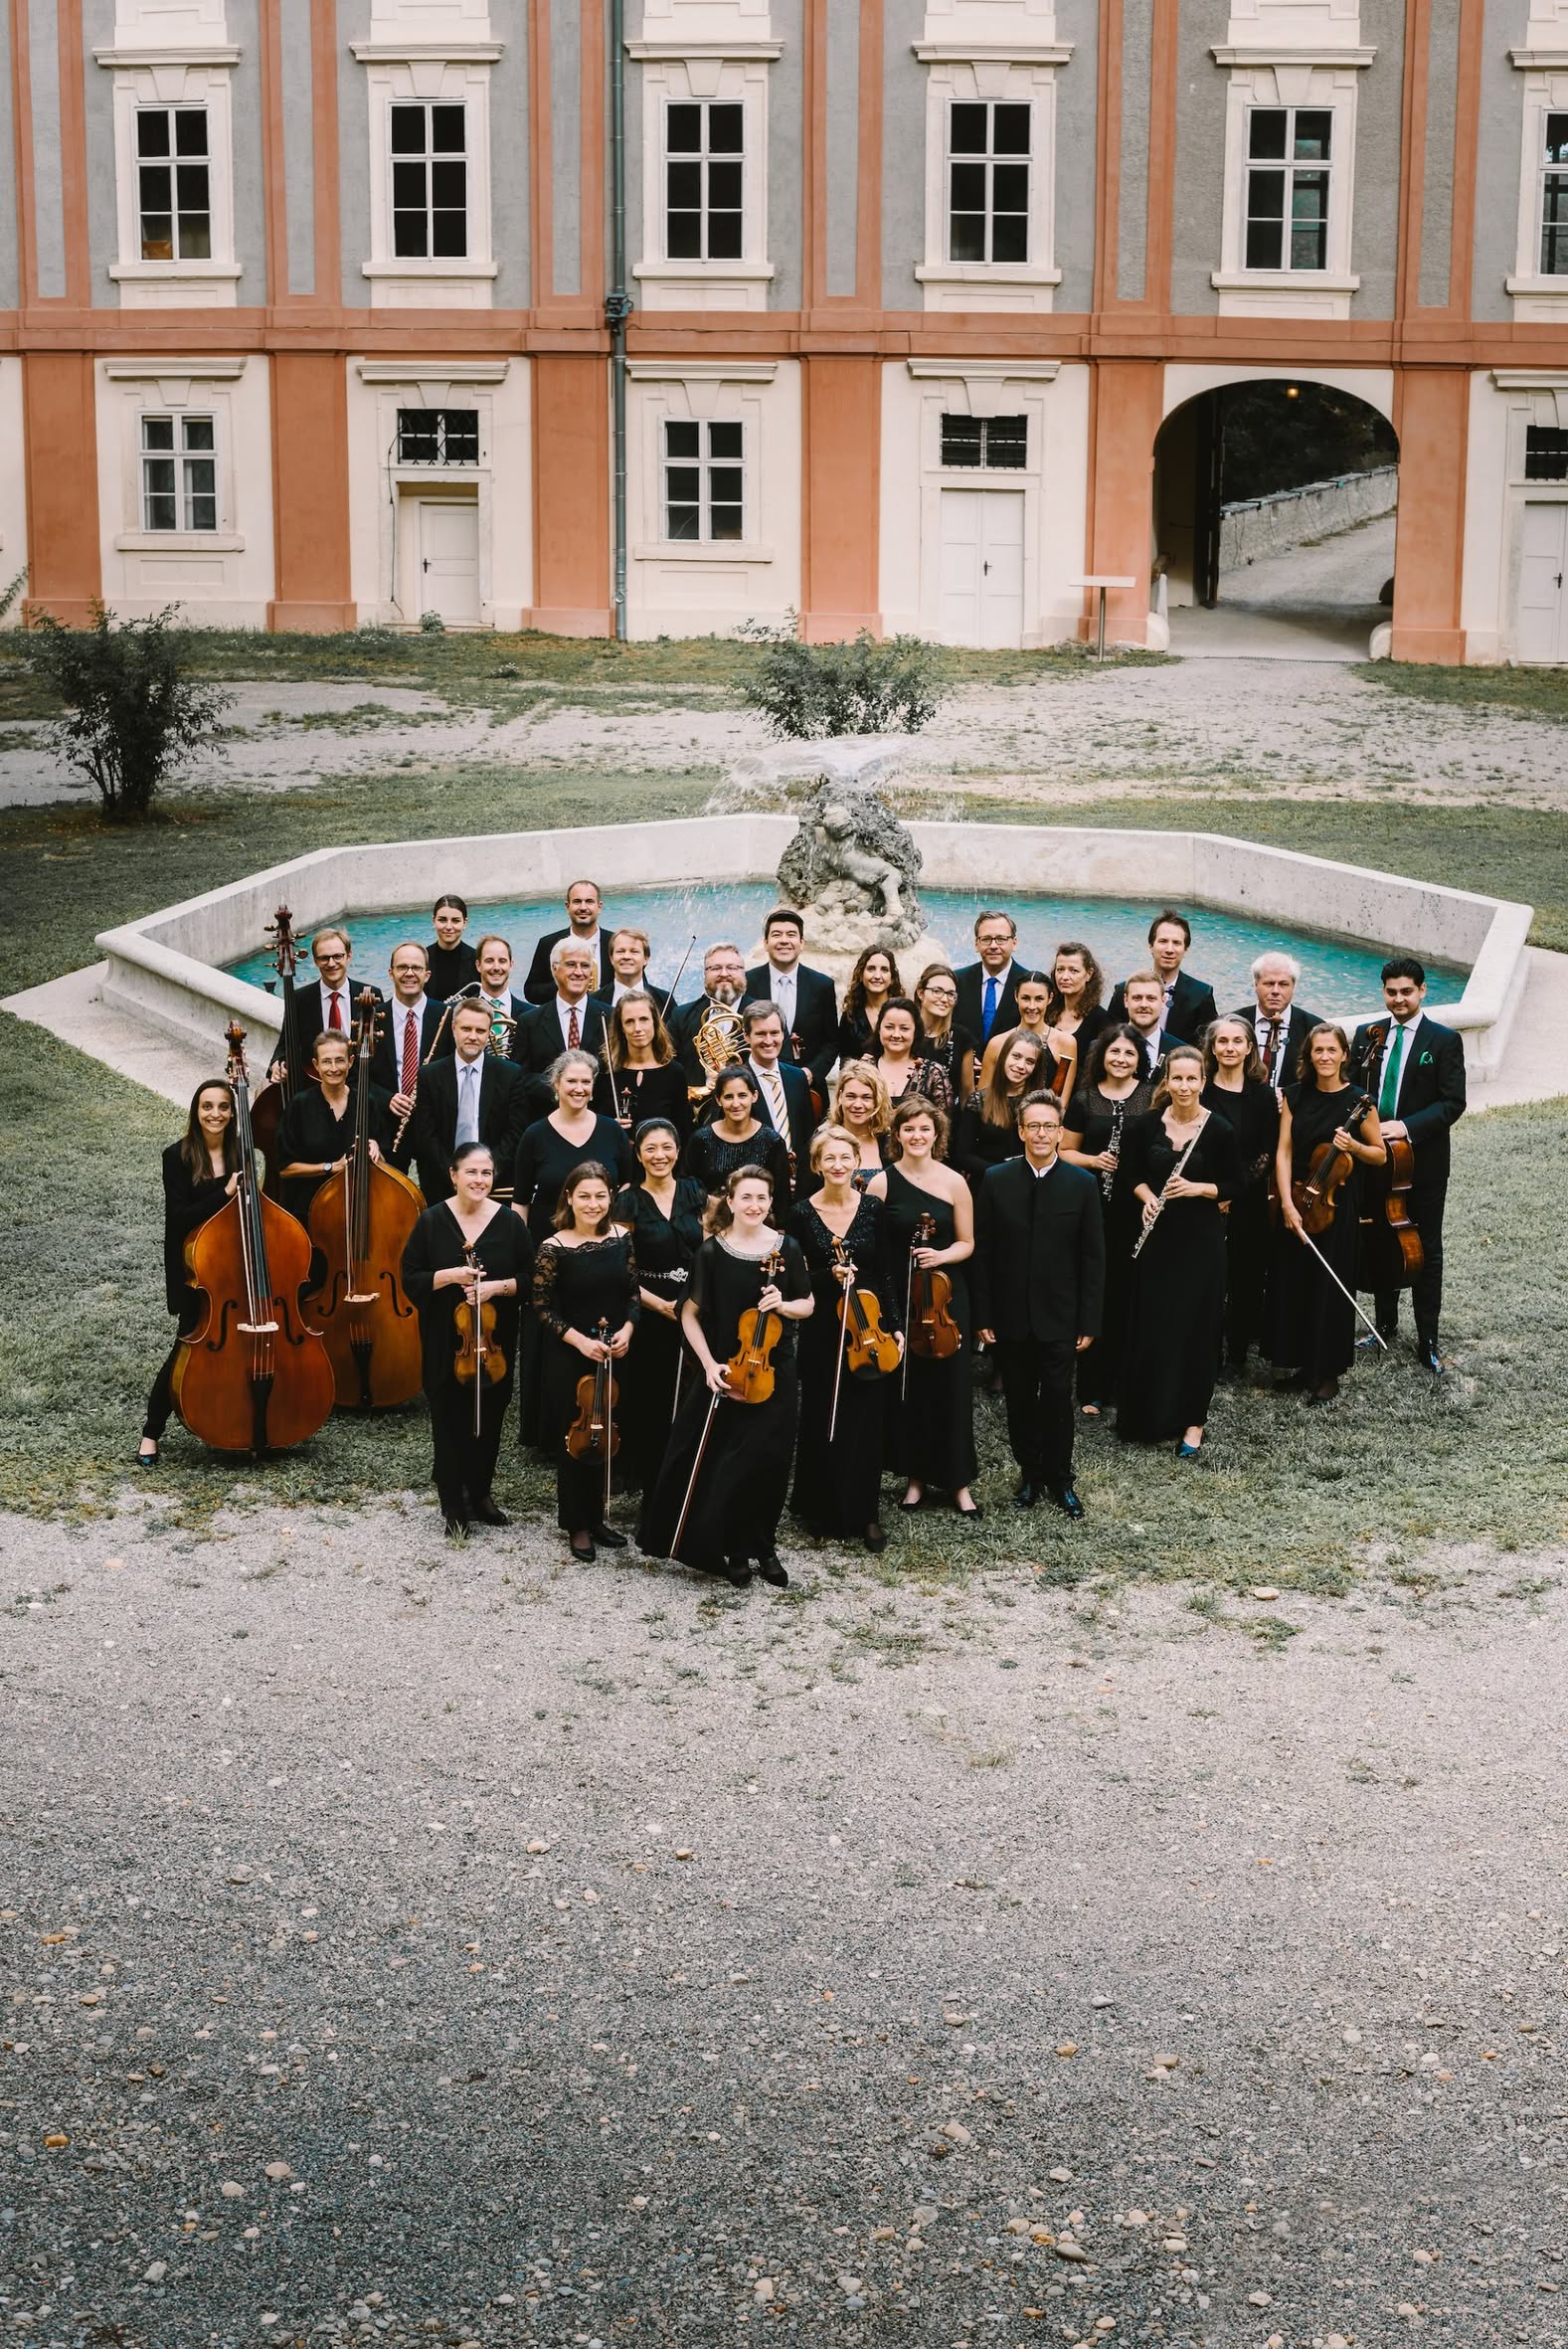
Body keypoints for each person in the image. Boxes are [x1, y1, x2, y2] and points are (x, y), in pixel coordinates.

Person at [638, 1167, 813, 1588]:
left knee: (770, 1461)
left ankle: (764, 1545)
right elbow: (690, 1314)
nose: (755, 1206)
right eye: (746, 1198)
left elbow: (808, 1303)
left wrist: (783, 1305)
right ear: (731, 1202)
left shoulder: (786, 1247)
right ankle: (733, 1546)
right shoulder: (712, 1253)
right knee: (730, 1462)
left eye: (763, 1198)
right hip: (728, 1371)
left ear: (771, 1203)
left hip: (775, 1371)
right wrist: (708, 1364)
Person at [973, 1092, 1105, 1519]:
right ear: (1021, 1130)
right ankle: (1030, 1474)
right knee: (1019, 1401)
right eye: (1034, 1126)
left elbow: (1092, 1258)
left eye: (1050, 1126)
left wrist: (1088, 1318)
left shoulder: (1082, 1184)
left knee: (1055, 1398)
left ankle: (1061, 1479)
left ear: (1059, 1132)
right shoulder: (995, 1180)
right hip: (1010, 1316)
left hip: (1060, 1315)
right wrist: (984, 1314)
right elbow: (985, 1254)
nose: (1042, 1133)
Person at [400, 1140, 531, 1535]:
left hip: (495, 1340)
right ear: (453, 1175)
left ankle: (481, 1492)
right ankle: (453, 1503)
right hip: (446, 1340)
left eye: (486, 1172)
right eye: (471, 1171)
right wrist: (450, 1277)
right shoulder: (431, 1221)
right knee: (449, 1417)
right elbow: (410, 1278)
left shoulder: (510, 1223)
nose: (479, 1179)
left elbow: (529, 1281)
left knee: (490, 1416)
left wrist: (497, 1288)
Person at [1118, 1046, 1240, 1457]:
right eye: (1177, 1078)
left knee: (1195, 1330)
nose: (1184, 1086)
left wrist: (1197, 1189)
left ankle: (1193, 1422)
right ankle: (1146, 1415)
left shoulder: (1220, 1129)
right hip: (1157, 1240)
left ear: (1203, 1083)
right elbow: (1130, 1174)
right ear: (1166, 1081)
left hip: (1200, 1243)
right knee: (1152, 1323)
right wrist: (1147, 1197)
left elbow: (1235, 1184)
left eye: (1192, 1079)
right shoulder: (1145, 1125)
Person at [1347, 956, 1467, 1372]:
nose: (1398, 999)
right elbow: (1353, 1091)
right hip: (1376, 1160)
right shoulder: (1367, 1035)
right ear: (1384, 992)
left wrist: (1405, 1126)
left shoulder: (1444, 1040)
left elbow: (1453, 1103)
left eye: (1406, 991)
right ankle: (1384, 1325)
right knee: (1381, 1238)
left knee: (1426, 1247)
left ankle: (1428, 1339)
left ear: (1422, 991)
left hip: (1423, 1162)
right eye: (1391, 992)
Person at [788, 1125, 901, 1551]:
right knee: (822, 1413)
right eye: (828, 1159)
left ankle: (865, 1513)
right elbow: (793, 1278)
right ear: (817, 1165)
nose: (837, 1165)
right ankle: (823, 1507)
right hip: (823, 1325)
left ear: (857, 1162)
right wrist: (826, 1275)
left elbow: (886, 1272)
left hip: (868, 1325)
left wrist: (895, 1326)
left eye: (845, 1158)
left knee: (867, 1417)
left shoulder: (872, 1207)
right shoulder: (800, 1212)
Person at [870, 1097, 980, 1519]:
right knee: (910, 1392)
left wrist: (940, 1256)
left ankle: (958, 1483)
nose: (917, 1136)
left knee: (951, 1391)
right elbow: (878, 1250)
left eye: (925, 1129)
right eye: (909, 1129)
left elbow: (967, 1243)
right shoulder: (882, 1183)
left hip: (946, 1298)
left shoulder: (955, 1182)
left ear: (937, 1134)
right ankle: (915, 1479)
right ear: (897, 1135)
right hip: (901, 1297)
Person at [1270, 1024, 1385, 1404]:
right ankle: (1302, 1364)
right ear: (1309, 1055)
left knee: (1329, 1287)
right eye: (1317, 1050)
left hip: (1336, 1202)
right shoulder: (1294, 1095)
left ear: (1343, 1055)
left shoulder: (1360, 1101)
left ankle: (1328, 1372)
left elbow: (1380, 1154)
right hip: (1300, 1197)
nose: (1324, 1057)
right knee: (1296, 1282)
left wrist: (1352, 1144)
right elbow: (1283, 1151)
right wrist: (1286, 1201)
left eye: (1331, 1050)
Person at [533, 1163, 639, 1560]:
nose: (593, 1204)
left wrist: (628, 1331)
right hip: (571, 1355)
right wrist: (580, 1342)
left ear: (610, 1198)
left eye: (600, 1195)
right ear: (569, 1199)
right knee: (575, 1438)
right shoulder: (553, 1247)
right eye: (584, 1196)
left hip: (614, 1351)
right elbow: (541, 1308)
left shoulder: (621, 1238)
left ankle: (596, 1518)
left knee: (606, 1435)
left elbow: (633, 1293)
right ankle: (576, 1524)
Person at [138, 1080, 241, 1466]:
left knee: (235, 1351)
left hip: (232, 1269)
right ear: (195, 1112)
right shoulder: (176, 1156)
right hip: (193, 1271)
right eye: (207, 1106)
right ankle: (151, 1432)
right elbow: (179, 1218)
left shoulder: (239, 1154)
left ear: (233, 1114)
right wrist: (225, 1194)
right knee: (186, 1347)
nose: (215, 1113)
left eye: (224, 1107)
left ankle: (233, 1423)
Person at [1060, 1022, 1154, 1417]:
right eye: (1114, 1052)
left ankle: (1124, 1381)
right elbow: (1064, 1151)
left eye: (1129, 1053)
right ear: (1102, 1056)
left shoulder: (1152, 1098)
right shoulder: (1084, 1099)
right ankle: (1092, 1387)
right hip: (1092, 1207)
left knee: (1128, 1295)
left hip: (1133, 1210)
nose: (1121, 1059)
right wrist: (1094, 1161)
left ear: (1138, 1060)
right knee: (1094, 1291)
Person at [611, 1120, 707, 1494]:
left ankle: (684, 1471)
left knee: (687, 1394)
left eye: (667, 1147)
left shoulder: (695, 1191)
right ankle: (647, 1474)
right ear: (638, 1154)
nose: (659, 1156)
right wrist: (660, 1305)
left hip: (693, 1308)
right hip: (649, 1311)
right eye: (650, 1148)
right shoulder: (628, 1200)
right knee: (648, 1397)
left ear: (678, 1151)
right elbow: (622, 1265)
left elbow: (710, 1250)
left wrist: (692, 1303)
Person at [1201, 1015, 1281, 1375]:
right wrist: (1213, 1191)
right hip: (1200, 1195)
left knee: (1244, 1276)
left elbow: (1265, 1151)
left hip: (1246, 1199)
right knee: (1206, 1277)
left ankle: (1235, 1354)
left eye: (1237, 1041)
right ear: (1212, 1047)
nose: (1229, 1048)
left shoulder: (1262, 1095)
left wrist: (1232, 1192)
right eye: (1222, 1041)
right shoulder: (1200, 1089)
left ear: (1250, 1048)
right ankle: (1204, 1348)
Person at [412, 999, 528, 1205]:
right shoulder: (430, 1075)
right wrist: (454, 1175)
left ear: (489, 1032)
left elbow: (515, 1133)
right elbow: (425, 1134)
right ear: (454, 1028)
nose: (473, 1036)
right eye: (466, 1029)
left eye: (480, 1030)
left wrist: (486, 1173)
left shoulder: (510, 1074)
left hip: (495, 1184)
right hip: (443, 1184)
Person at [273, 1029, 391, 1228]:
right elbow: (284, 1169)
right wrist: (330, 1167)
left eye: (340, 1060)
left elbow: (386, 1165)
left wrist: (377, 1150)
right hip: (308, 1211)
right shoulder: (299, 1105)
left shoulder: (367, 1103)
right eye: (327, 1061)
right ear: (316, 1065)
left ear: (351, 1062)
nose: (334, 1068)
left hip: (358, 1210)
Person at [512, 1050, 634, 1229]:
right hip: (549, 1242)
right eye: (571, 1081)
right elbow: (521, 1200)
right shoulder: (534, 1134)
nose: (579, 1089)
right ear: (556, 1084)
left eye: (586, 1082)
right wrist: (521, 1249)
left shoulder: (613, 1131)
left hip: (602, 1239)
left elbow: (627, 1184)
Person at [267, 929, 384, 1082]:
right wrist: (277, 1064)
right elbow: (285, 1045)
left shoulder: (371, 995)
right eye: (324, 958)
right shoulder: (299, 999)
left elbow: (382, 1050)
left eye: (337, 956)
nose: (331, 963)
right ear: (315, 961)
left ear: (349, 956)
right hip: (315, 1087)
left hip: (360, 1087)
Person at [515, 941, 610, 1117]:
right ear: (554, 968)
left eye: (585, 965)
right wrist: (561, 1087)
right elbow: (520, 1078)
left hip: (599, 1119)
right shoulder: (530, 1021)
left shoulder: (610, 1017)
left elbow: (616, 1073)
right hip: (547, 1120)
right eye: (571, 964)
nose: (578, 972)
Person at [746, 910, 839, 1089]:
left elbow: (832, 1042)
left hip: (809, 1089)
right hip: (757, 1086)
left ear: (802, 943)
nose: (784, 940)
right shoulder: (748, 982)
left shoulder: (822, 985)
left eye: (791, 935)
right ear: (765, 943)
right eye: (776, 935)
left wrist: (811, 1072)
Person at [681, 1065, 793, 1211]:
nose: (735, 1104)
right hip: (712, 1225)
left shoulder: (772, 1141)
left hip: (759, 1225)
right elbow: (687, 1188)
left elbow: (781, 1197)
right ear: (718, 1100)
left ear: (754, 1096)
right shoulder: (700, 1140)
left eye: (742, 1095)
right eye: (728, 1097)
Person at [371, 942, 444, 1166]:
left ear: (427, 975)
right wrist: (388, 1099)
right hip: (387, 1124)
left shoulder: (446, 1016)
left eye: (416, 968)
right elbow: (356, 1077)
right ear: (390, 973)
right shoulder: (371, 1018)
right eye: (402, 967)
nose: (409, 973)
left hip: (434, 1125)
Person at [952, 1029, 1048, 1186]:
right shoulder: (978, 1101)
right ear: (1004, 1056)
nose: (1020, 1066)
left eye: (1030, 1061)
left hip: (1029, 1186)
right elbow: (963, 1155)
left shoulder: (1041, 1104)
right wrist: (1003, 1174)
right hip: (987, 1185)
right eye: (1016, 1056)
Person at [595, 990, 690, 1140]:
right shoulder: (606, 1071)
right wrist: (609, 1127)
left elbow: (683, 1130)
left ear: (655, 1022)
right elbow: (591, 1122)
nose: (637, 1028)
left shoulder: (674, 1073)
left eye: (644, 1019)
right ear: (621, 1028)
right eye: (629, 1022)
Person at [1108, 911, 1218, 1040]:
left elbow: (1207, 1044)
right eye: (1163, 941)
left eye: (1176, 943)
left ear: (1185, 949)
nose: (1169, 949)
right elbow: (1109, 1037)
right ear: (1150, 946)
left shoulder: (1201, 995)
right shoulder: (1123, 990)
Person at [743, 1000, 817, 1174]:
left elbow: (807, 1134)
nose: (769, 1041)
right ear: (747, 1036)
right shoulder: (735, 1079)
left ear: (783, 1034)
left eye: (775, 1033)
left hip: (796, 1180)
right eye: (760, 1034)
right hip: (754, 1180)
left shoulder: (797, 1077)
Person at [1231, 952, 1323, 1091]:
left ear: (1294, 987)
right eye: (1268, 983)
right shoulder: (1232, 1023)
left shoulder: (1314, 1028)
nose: (1275, 991)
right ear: (1255, 984)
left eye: (1283, 984)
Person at [669, 942, 749, 1092]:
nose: (724, 974)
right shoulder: (681, 1016)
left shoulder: (761, 1016)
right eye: (716, 968)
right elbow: (666, 1065)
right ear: (705, 974)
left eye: (732, 967)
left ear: (743, 972)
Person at [523, 878, 613, 1002]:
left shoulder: (615, 943)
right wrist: (566, 983)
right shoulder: (548, 943)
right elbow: (531, 993)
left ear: (599, 907)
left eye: (589, 901)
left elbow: (637, 984)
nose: (583, 907)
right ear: (567, 906)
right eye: (577, 901)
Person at [1042, 942, 1110, 1097]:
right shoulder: (1046, 1011)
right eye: (1060, 970)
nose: (1065, 977)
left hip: (1078, 1101)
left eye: (1073, 971)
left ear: (1089, 974)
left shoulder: (1101, 1021)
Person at [955, 910, 1027, 1047]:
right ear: (976, 944)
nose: (993, 946)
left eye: (1001, 939)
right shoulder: (958, 981)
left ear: (1014, 943)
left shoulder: (1029, 984)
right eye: (986, 939)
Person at [977, 969, 1053, 1090]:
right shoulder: (996, 1043)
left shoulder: (1066, 1043)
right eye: (1025, 998)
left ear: (1050, 998)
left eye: (1039, 999)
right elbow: (982, 1098)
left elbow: (1063, 1103)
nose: (1032, 1006)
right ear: (1016, 996)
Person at [876, 996, 954, 1114]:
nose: (896, 1035)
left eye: (904, 1028)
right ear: (879, 1029)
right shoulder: (865, 1069)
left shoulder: (933, 1073)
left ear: (915, 1032)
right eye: (889, 1027)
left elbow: (944, 1124)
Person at [461, 934, 530, 1064]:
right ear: (478, 965)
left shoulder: (530, 1015)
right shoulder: (457, 1011)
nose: (496, 967)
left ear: (511, 964)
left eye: (502, 961)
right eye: (489, 961)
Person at [913, 964, 977, 1100]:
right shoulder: (904, 1032)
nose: (944, 999)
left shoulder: (962, 1037)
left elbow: (967, 1094)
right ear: (920, 992)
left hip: (947, 1118)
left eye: (950, 994)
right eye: (937, 991)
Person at [828, 1060, 894, 1183]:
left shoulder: (890, 1144)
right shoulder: (823, 1140)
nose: (858, 1105)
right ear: (840, 1096)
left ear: (877, 1100)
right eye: (851, 1096)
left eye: (866, 1097)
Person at [836, 947, 902, 1064]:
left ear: (892, 978)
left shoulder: (903, 1013)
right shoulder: (850, 1016)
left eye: (884, 970)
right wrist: (858, 1065)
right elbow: (844, 1059)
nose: (877, 976)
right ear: (861, 975)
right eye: (871, 969)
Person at [1120, 971, 1184, 1079]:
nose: (1144, 1005)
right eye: (1137, 998)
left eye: (1151, 998)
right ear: (1126, 1000)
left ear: (1163, 1001)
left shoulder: (1182, 1052)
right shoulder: (1102, 1048)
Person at [425, 895, 480, 1002]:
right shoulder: (421, 958)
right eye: (442, 920)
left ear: (465, 923)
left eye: (455, 920)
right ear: (433, 921)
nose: (449, 927)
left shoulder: (477, 959)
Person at [606, 926, 668, 1010]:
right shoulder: (595, 1000)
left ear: (646, 959)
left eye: (634, 951)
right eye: (620, 951)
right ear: (611, 958)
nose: (626, 957)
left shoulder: (665, 1001)